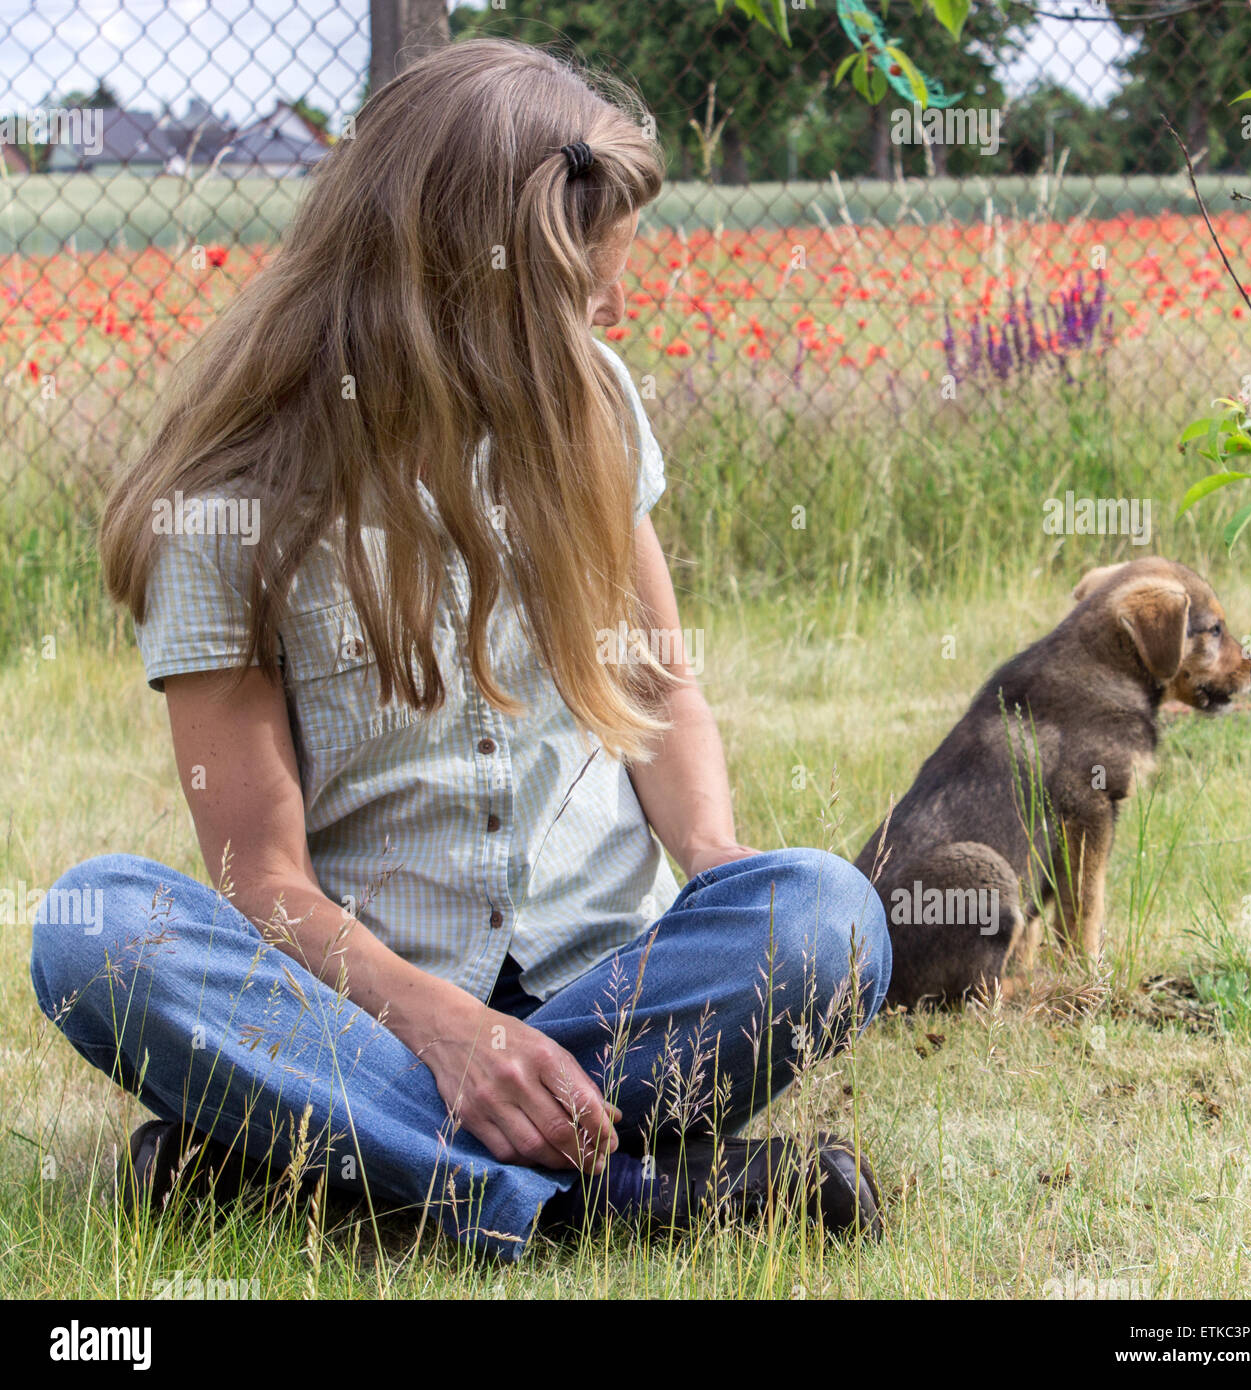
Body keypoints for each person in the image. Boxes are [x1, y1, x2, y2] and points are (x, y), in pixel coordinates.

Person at [29, 37, 890, 1263]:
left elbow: (655, 678)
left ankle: (336, 1167)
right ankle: (612, 1194)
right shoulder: (225, 497)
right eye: (578, 294)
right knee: (96, 924)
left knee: (827, 914)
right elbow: (260, 879)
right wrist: (449, 1031)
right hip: (366, 1013)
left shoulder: (596, 399)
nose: (612, 317)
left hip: (612, 996)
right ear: (460, 283)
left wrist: (717, 866)